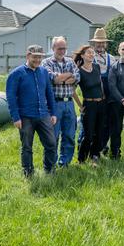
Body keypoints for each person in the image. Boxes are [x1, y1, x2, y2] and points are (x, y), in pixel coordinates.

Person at [5, 44, 57, 177]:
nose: (38, 60)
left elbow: (49, 93)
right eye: (35, 57)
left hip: (43, 114)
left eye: (40, 58)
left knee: (51, 143)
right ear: (28, 56)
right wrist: (15, 117)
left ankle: (49, 170)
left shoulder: (44, 72)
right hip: (25, 117)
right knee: (27, 146)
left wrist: (53, 113)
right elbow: (11, 97)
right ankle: (28, 172)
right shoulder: (16, 74)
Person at [41, 37, 80, 167]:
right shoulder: (46, 62)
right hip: (54, 105)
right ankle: (51, 164)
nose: (62, 51)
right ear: (53, 48)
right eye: (59, 48)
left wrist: (60, 79)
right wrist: (67, 78)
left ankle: (65, 163)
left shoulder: (70, 61)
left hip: (69, 103)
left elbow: (77, 77)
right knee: (53, 135)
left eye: (64, 48)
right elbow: (51, 78)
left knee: (69, 135)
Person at [73, 44, 105, 165]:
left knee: (100, 132)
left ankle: (94, 156)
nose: (92, 54)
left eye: (93, 52)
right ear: (82, 55)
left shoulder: (96, 67)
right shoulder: (79, 71)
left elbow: (100, 83)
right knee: (88, 134)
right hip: (89, 105)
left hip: (101, 103)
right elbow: (72, 90)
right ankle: (81, 159)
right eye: (89, 53)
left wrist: (104, 98)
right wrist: (81, 106)